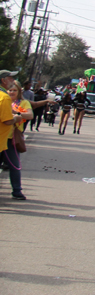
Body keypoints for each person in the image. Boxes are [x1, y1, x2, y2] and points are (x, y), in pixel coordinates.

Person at [0, 71, 29, 200]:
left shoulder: (21, 103)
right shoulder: (4, 98)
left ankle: (17, 190)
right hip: (4, 139)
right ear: (3, 80)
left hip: (8, 139)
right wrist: (16, 118)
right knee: (14, 165)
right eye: (11, 78)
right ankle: (17, 191)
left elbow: (29, 113)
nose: (13, 80)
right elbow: (6, 120)